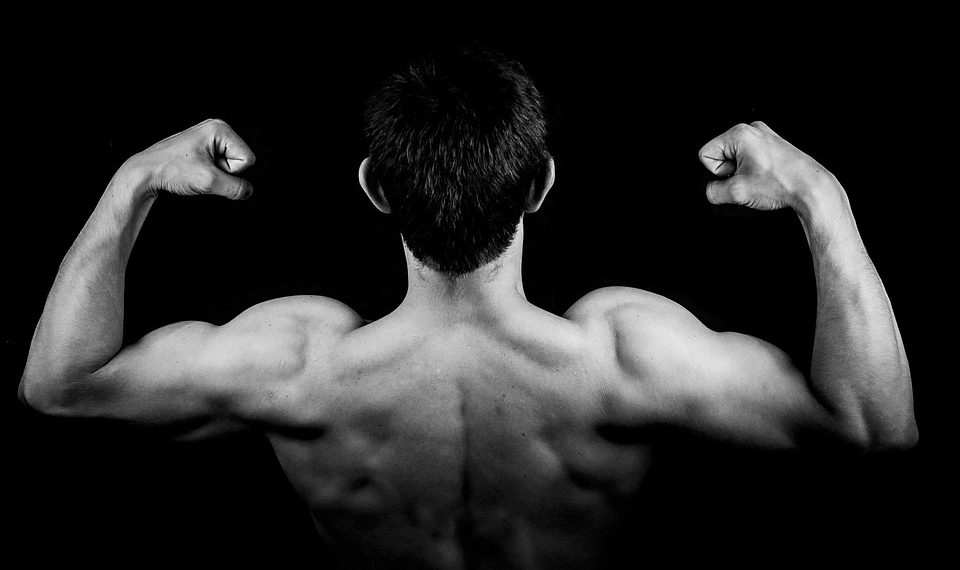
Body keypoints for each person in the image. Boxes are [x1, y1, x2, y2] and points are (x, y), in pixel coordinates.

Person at [19, 47, 917, 569]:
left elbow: (61, 388)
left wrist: (131, 182)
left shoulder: (299, 363)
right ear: (542, 187)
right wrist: (821, 199)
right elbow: (876, 429)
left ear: (375, 189)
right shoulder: (625, 357)